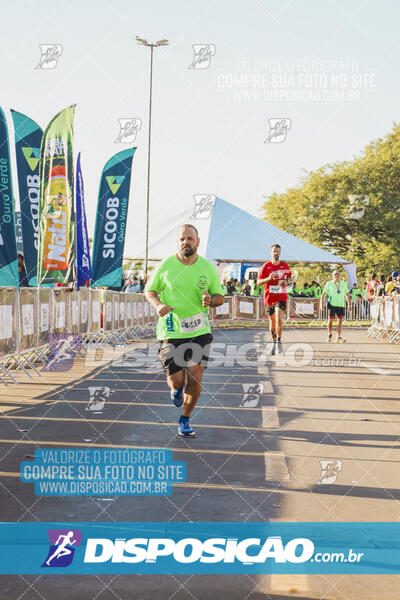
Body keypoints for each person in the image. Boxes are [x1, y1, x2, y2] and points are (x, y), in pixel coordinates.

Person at [145, 224, 224, 437]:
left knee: (196, 376)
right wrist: (158, 305)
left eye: (189, 238)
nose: (185, 243)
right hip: (171, 332)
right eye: (181, 239)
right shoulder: (165, 266)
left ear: (197, 241)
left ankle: (185, 419)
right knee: (177, 380)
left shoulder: (207, 268)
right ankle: (176, 389)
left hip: (200, 331)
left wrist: (211, 300)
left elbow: (220, 296)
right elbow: (149, 290)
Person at [257, 243, 291, 355]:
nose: (275, 253)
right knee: (272, 321)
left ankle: (279, 342)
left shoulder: (285, 266)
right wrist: (268, 278)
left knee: (278, 318)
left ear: (280, 252)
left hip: (281, 296)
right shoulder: (265, 266)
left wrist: (287, 282)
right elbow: (258, 282)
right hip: (269, 297)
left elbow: (290, 281)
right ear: (270, 252)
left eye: (277, 251)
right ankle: (274, 342)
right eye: (274, 251)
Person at [320, 270, 351, 343]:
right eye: (335, 274)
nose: (336, 275)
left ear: (340, 276)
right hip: (332, 304)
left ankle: (338, 337)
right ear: (332, 276)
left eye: (338, 274)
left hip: (341, 305)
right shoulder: (329, 283)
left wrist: (349, 304)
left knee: (340, 321)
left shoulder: (344, 284)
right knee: (330, 320)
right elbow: (323, 294)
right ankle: (330, 334)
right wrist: (321, 303)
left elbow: (347, 294)